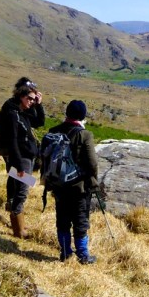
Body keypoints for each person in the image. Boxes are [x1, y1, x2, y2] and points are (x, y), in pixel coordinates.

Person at [48, 100, 100, 264]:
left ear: (67, 113)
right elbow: (92, 163)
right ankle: (83, 255)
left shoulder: (53, 131)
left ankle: (65, 253)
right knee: (80, 220)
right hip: (79, 187)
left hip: (59, 185)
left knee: (62, 220)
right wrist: (94, 181)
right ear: (83, 115)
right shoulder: (85, 135)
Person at [0, 77, 44, 238]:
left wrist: (39, 105)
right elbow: (12, 141)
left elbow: (39, 122)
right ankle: (19, 230)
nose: (32, 101)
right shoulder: (12, 113)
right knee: (23, 190)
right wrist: (18, 166)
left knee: (20, 186)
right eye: (29, 98)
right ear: (21, 96)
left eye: (33, 99)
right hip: (21, 158)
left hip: (27, 157)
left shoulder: (23, 112)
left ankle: (18, 222)